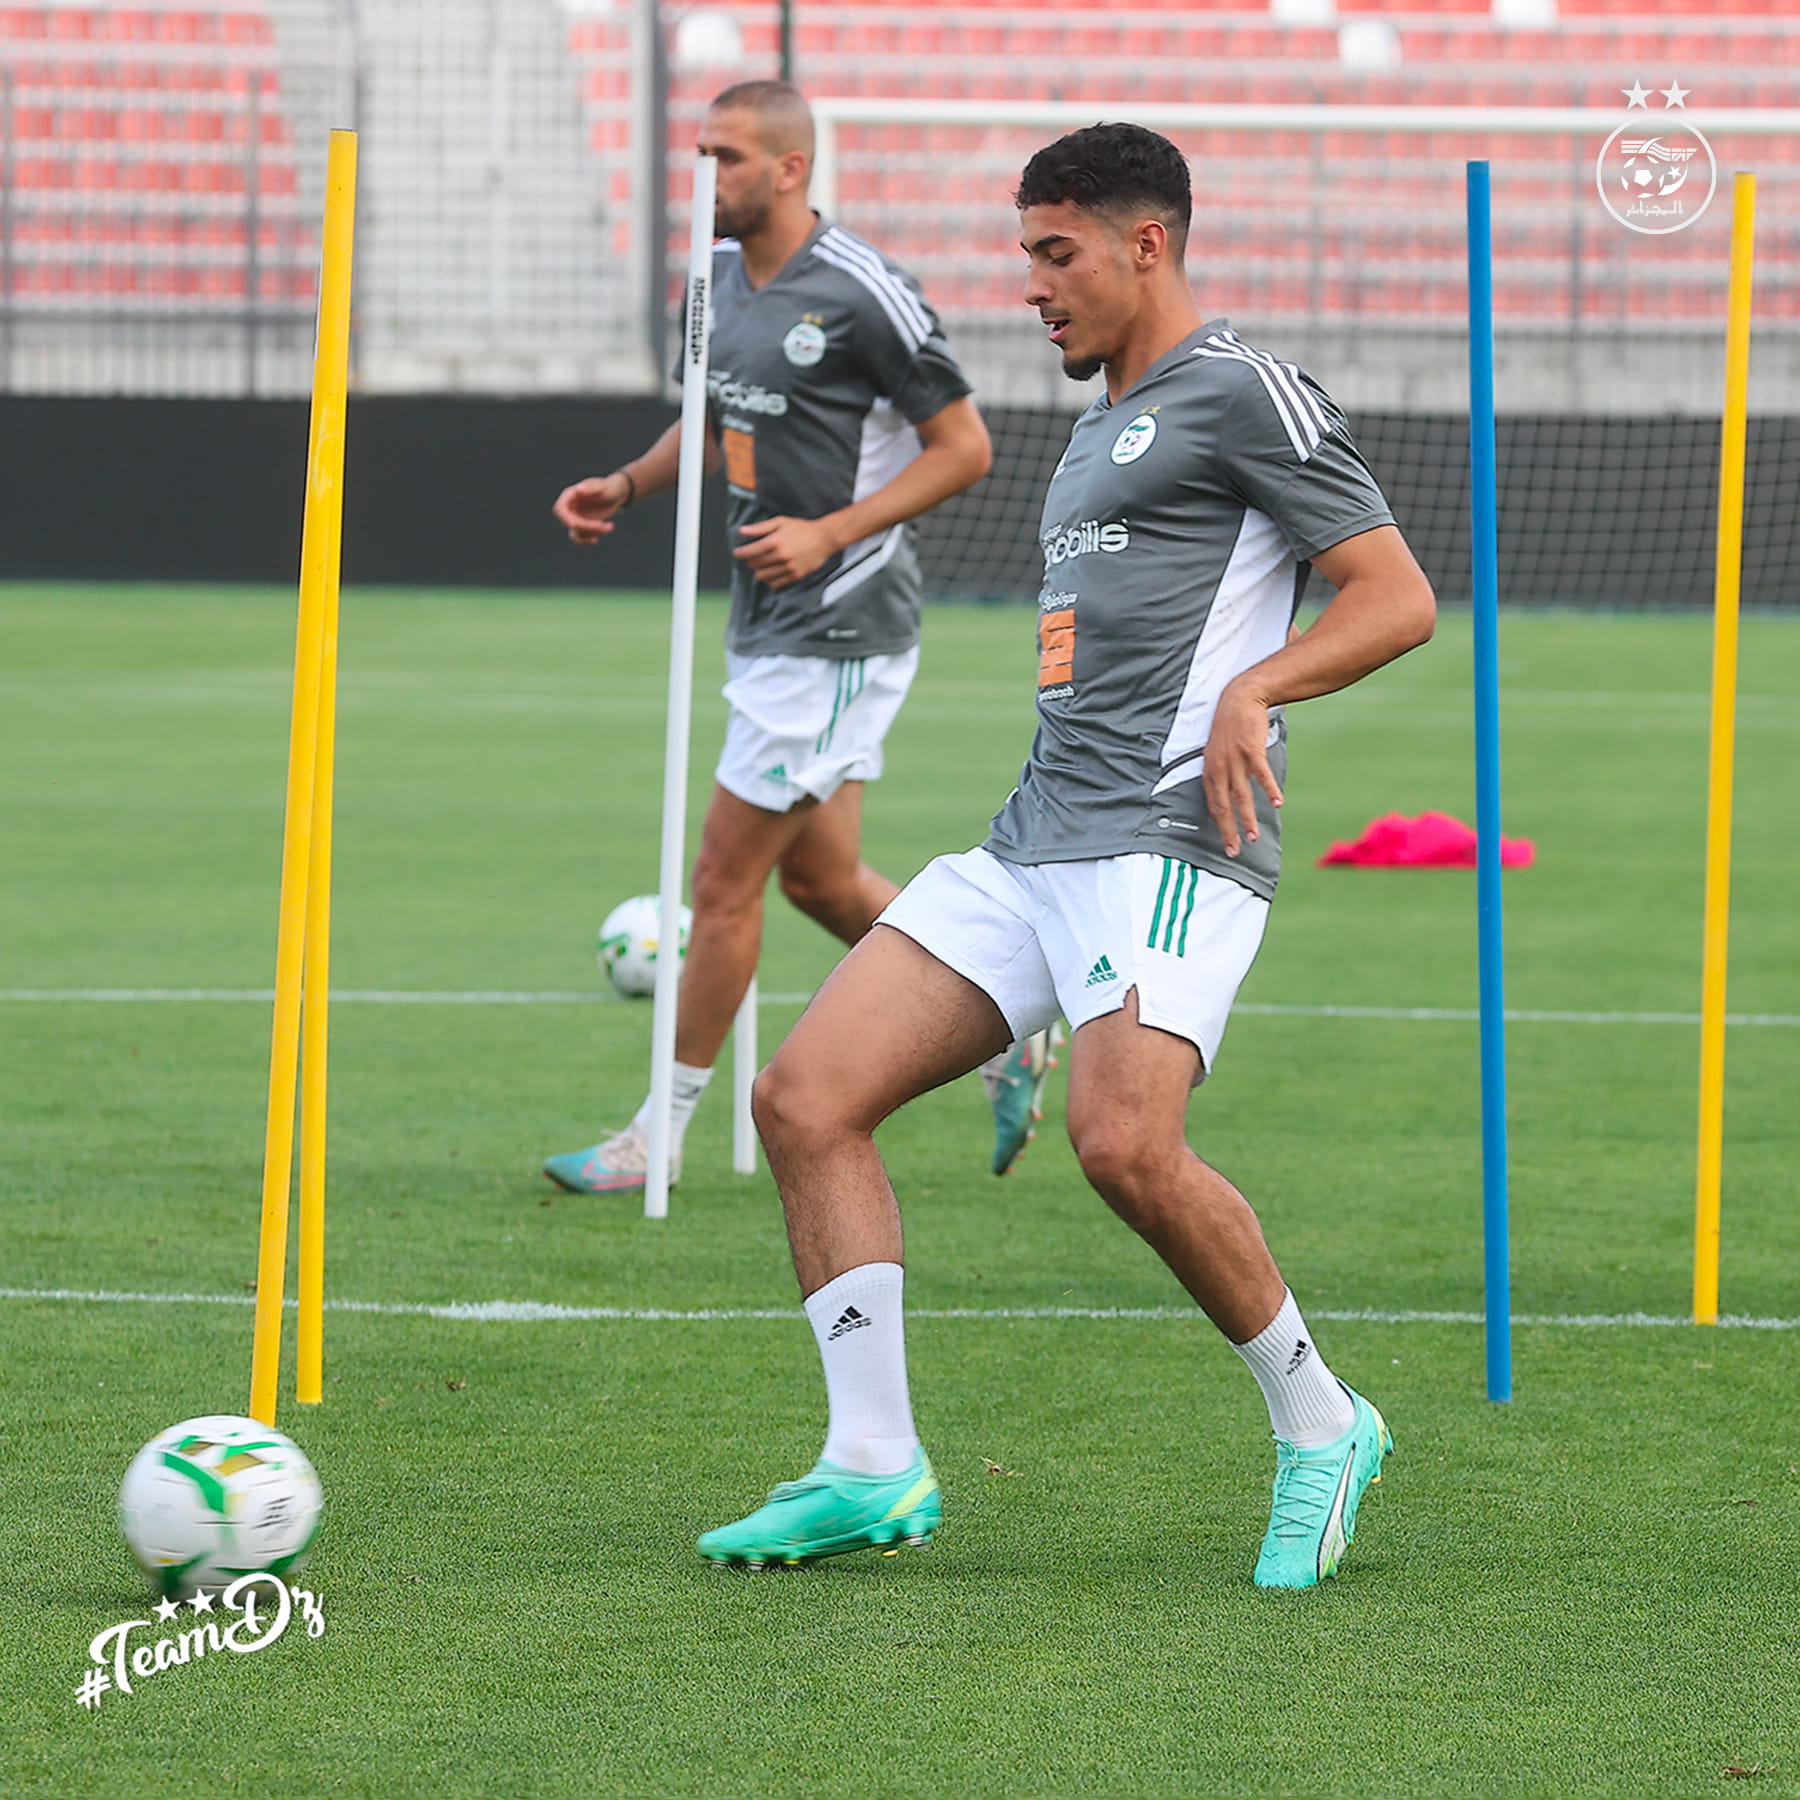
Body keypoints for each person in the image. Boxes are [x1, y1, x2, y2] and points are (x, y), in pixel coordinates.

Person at [698, 123, 1437, 1588]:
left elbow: (1394, 593)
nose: (1030, 286)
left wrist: (1259, 688)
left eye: (1056, 254)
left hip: (1170, 842)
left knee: (1124, 1146)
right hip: (1033, 841)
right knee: (804, 1100)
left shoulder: (1243, 389)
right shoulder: (1102, 422)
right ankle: (871, 1462)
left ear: (1145, 244)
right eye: (1025, 254)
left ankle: (1323, 1421)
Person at [542, 80, 1005, 1195]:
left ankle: (654, 1138)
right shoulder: (713, 279)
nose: (706, 174)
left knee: (720, 877)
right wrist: (625, 484)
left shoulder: (862, 292)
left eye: (730, 156)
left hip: (838, 624)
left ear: (792, 169)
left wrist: (828, 534)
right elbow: (710, 424)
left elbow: (965, 448)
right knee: (823, 883)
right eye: (701, 153)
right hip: (769, 620)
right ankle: (1009, 1019)